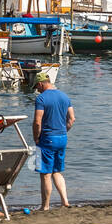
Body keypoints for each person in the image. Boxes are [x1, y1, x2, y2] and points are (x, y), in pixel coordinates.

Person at [33, 72, 74, 210]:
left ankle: (45, 206)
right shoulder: (64, 96)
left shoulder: (41, 99)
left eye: (37, 87)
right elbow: (72, 119)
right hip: (62, 137)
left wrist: (36, 137)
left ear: (40, 83)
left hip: (47, 138)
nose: (37, 90)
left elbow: (38, 121)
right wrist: (63, 131)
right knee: (57, 171)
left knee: (45, 174)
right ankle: (65, 201)